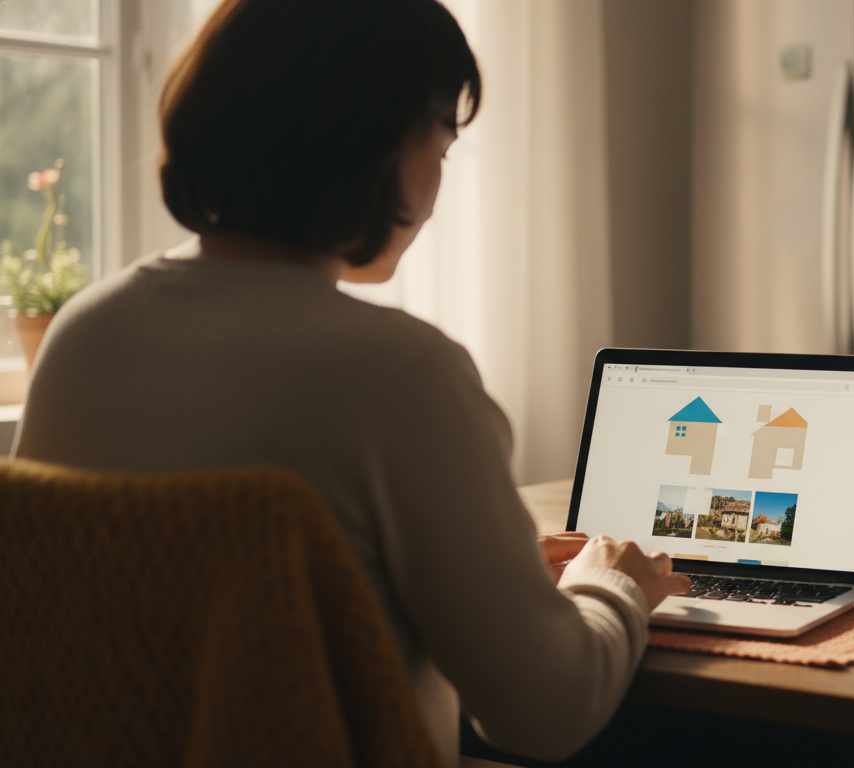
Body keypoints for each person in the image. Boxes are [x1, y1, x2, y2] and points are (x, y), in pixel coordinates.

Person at [11, 0, 689, 763]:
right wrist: (612, 584)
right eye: (441, 145)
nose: (439, 179)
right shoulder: (404, 375)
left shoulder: (84, 334)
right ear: (373, 145)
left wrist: (486, 577)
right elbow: (543, 714)